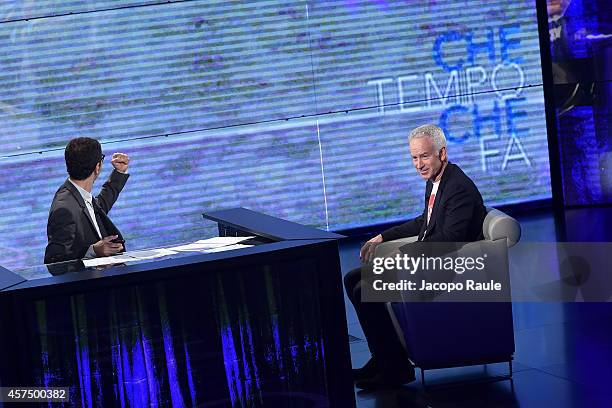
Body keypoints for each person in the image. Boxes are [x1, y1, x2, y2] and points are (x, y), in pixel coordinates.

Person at [344, 124, 487, 390]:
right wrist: (383, 237)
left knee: (365, 287)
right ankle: (385, 358)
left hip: (449, 270)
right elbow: (425, 222)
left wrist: (403, 256)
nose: (419, 164)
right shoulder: (436, 180)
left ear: (442, 153)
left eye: (425, 156)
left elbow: (449, 240)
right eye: (414, 158)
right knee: (352, 279)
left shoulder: (458, 187)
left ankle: (395, 368)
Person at [44, 137, 130, 264]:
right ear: (97, 167)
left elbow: (97, 210)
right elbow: (54, 260)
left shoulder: (77, 194)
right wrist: (93, 251)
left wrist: (119, 173)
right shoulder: (64, 208)